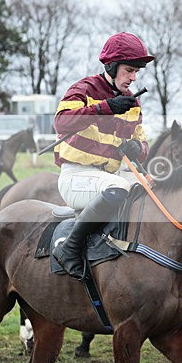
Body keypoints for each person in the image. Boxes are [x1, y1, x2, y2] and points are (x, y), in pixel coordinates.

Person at [52, 32, 153, 280]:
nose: (133, 77)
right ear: (111, 66)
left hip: (110, 175)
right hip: (77, 175)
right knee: (119, 187)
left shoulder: (132, 102)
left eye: (137, 71)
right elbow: (61, 123)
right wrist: (104, 108)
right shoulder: (82, 89)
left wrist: (136, 148)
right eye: (129, 70)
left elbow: (143, 142)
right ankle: (69, 250)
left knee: (153, 188)